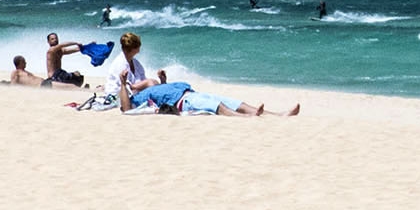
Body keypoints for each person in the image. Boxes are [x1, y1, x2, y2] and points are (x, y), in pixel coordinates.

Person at [117, 79, 298, 117]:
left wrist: (163, 80)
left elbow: (153, 84)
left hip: (191, 93)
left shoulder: (153, 87)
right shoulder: (138, 98)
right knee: (216, 105)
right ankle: (245, 117)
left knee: (233, 101)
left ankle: (276, 114)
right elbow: (125, 109)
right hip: (184, 102)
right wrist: (124, 84)